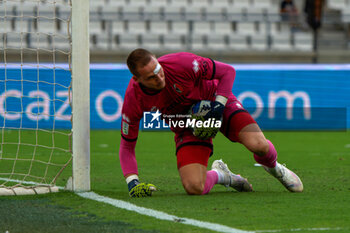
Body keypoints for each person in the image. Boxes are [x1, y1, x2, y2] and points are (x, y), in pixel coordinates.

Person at [119, 48, 303, 197]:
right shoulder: (133, 99)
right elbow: (127, 146)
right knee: (194, 187)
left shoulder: (181, 63)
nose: (159, 78)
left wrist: (218, 106)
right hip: (187, 125)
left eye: (158, 70)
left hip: (217, 101)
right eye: (151, 77)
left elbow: (228, 72)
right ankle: (223, 176)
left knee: (259, 145)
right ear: (137, 79)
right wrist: (132, 182)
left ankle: (274, 168)